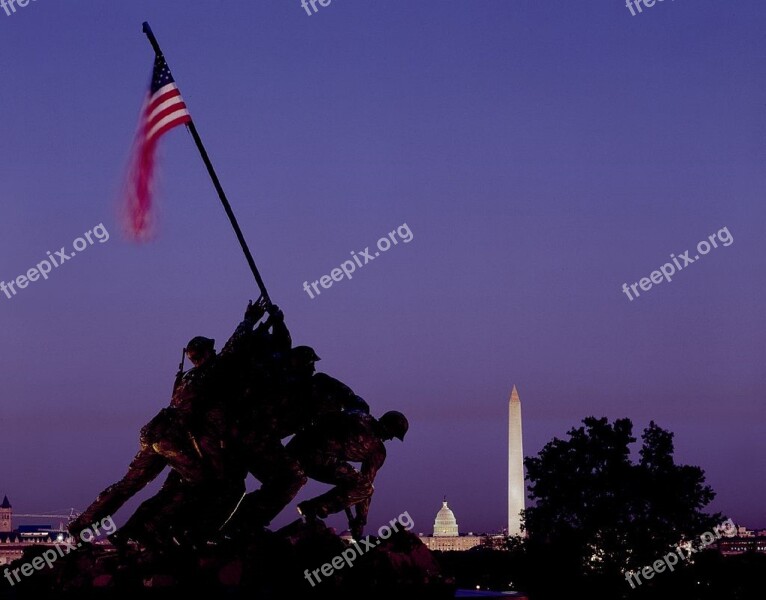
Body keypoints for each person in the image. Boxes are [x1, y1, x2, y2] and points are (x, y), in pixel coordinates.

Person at [288, 410, 408, 539]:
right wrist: (361, 520)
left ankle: (313, 509)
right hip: (317, 458)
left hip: (297, 447)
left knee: (352, 480)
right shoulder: (377, 450)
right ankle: (314, 507)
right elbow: (365, 485)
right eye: (392, 435)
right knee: (365, 487)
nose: (389, 439)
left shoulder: (357, 413)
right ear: (388, 429)